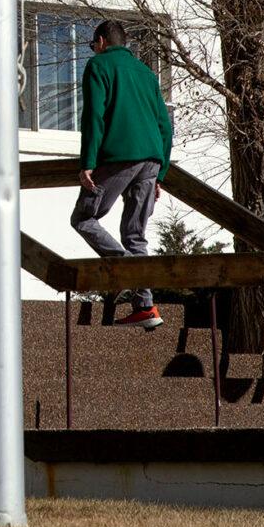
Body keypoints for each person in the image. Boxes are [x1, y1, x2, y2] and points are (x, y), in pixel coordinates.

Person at [72, 18, 175, 329]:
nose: (93, 49)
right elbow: (165, 126)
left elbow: (94, 117)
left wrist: (87, 161)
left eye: (93, 44)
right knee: (135, 235)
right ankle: (145, 307)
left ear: (102, 41)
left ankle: (127, 271)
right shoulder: (146, 73)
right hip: (152, 160)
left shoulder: (99, 66)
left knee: (84, 219)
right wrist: (161, 173)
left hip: (119, 157)